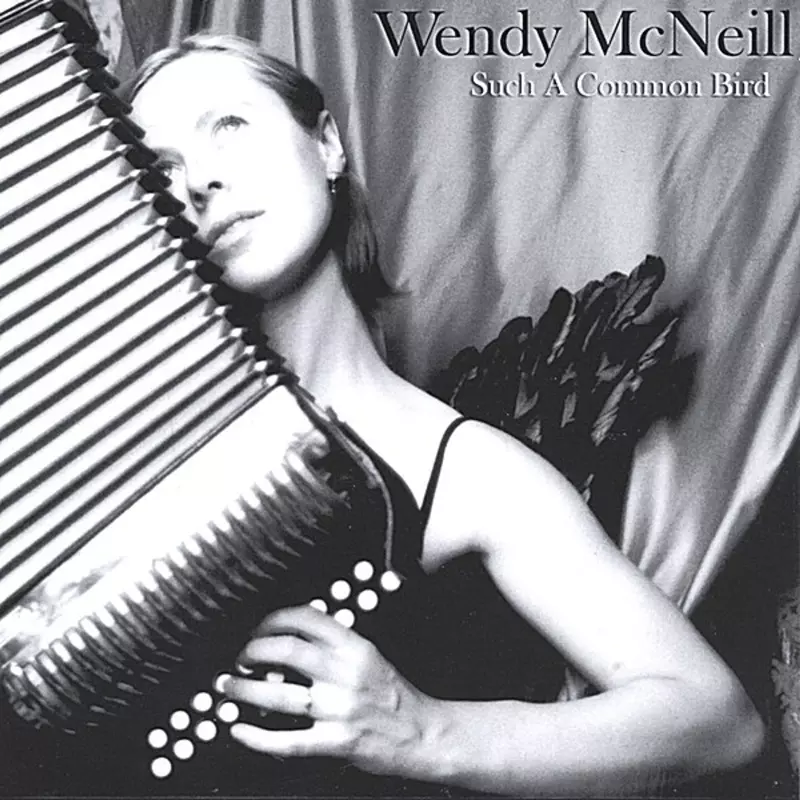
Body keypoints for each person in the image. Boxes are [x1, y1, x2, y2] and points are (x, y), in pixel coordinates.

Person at [124, 34, 765, 797]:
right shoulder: (137, 469)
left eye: (229, 125)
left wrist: (428, 731)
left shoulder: (469, 471)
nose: (201, 180)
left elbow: (719, 722)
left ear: (326, 145)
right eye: (162, 170)